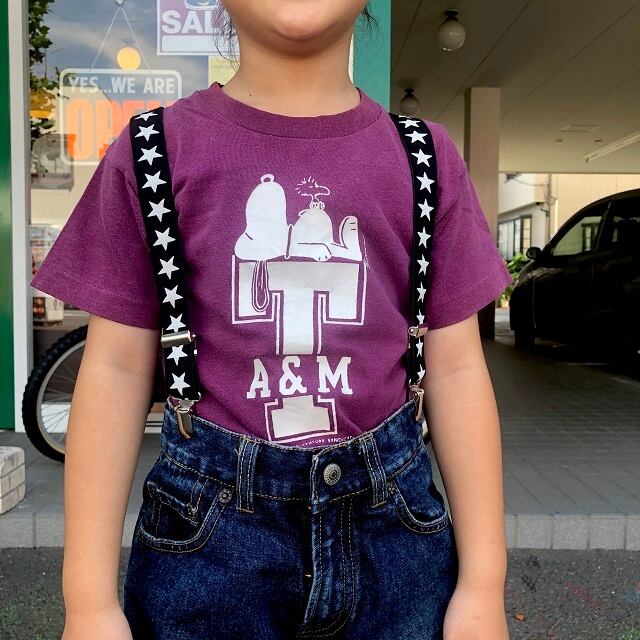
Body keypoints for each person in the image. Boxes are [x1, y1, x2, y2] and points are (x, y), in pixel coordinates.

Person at [31, 1, 513, 638]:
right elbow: (116, 369)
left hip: (394, 542)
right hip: (207, 545)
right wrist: (88, 601)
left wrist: (484, 583)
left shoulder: (424, 158)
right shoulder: (153, 151)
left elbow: (455, 372)